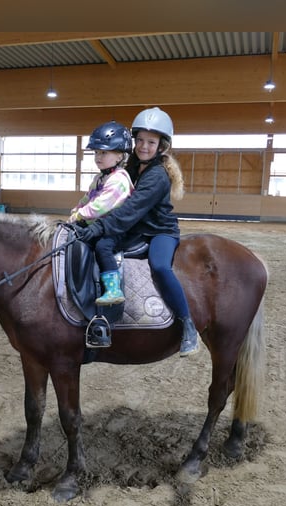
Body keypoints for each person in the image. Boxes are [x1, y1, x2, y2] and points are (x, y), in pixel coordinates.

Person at [75, 107, 200, 356]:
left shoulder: (158, 176)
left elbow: (131, 209)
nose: (143, 146)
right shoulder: (131, 165)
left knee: (161, 266)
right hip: (135, 227)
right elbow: (113, 198)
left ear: (161, 145)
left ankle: (188, 326)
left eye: (150, 142)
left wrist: (100, 226)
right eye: (140, 140)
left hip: (159, 231)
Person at [69, 120, 134, 305]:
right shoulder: (100, 177)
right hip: (100, 225)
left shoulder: (119, 179)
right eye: (96, 152)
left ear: (120, 156)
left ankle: (113, 289)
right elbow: (88, 198)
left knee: (102, 247)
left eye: (104, 152)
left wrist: (81, 215)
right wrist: (76, 209)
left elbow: (100, 205)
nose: (98, 156)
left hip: (116, 228)